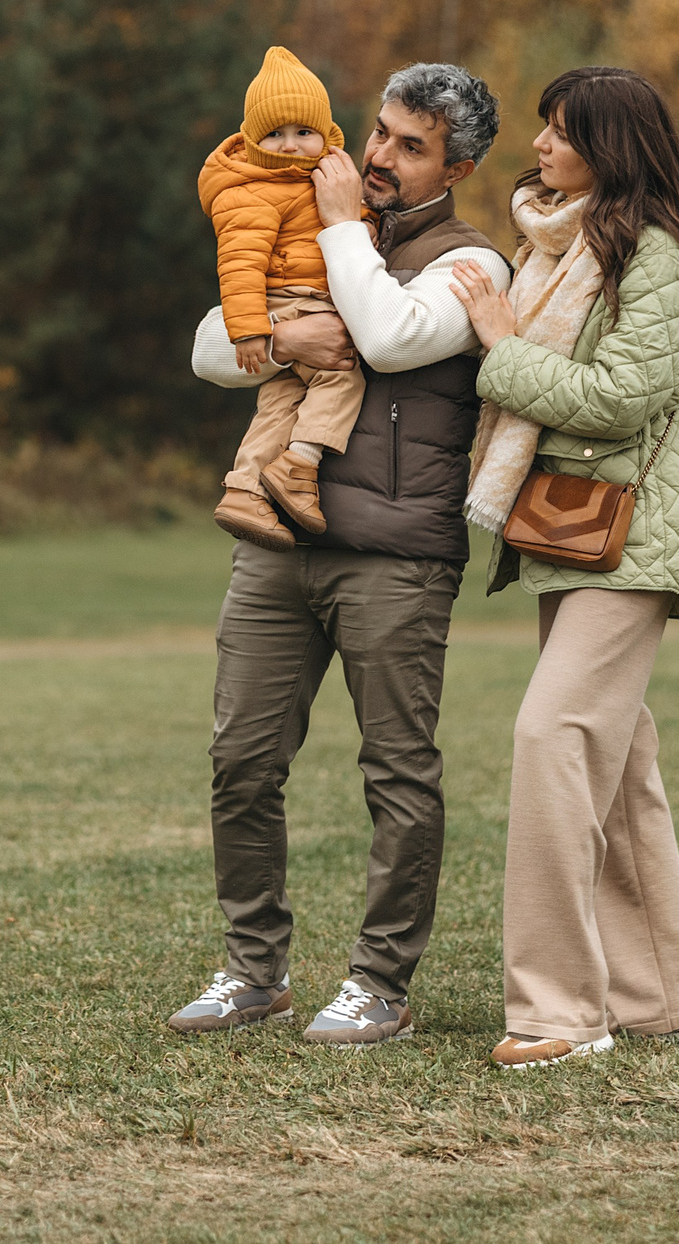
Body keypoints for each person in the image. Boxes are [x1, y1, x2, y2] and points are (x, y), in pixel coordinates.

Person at [165, 62, 512, 1047]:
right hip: (277, 536)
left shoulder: (473, 264)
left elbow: (392, 338)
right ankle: (252, 969)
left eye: (410, 146)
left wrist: (331, 241)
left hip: (396, 556)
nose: (376, 157)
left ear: (462, 165)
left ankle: (381, 985)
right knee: (239, 758)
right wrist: (280, 337)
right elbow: (204, 348)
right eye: (378, 133)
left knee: (395, 772)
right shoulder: (302, 216)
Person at [448, 65, 679, 1072]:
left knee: (552, 734)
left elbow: (615, 399)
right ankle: (667, 998)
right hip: (571, 530)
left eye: (560, 132)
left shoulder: (656, 258)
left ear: (611, 150)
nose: (538, 147)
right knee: (616, 771)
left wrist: (497, 345)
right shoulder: (565, 248)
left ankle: (560, 1013)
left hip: (632, 538)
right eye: (541, 129)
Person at [199, 47, 363, 547]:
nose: (291, 146)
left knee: (281, 399)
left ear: (327, 137)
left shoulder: (317, 180)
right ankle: (298, 465)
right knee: (341, 374)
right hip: (292, 301)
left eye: (303, 132)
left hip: (301, 299)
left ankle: (245, 490)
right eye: (275, 134)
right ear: (253, 140)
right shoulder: (251, 189)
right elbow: (239, 265)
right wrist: (251, 330)